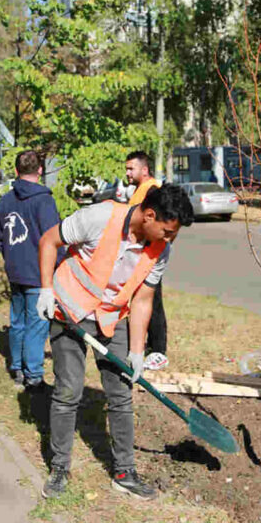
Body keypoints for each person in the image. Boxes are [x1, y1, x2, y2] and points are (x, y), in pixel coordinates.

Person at [36, 183, 194, 500]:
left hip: (112, 316)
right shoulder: (100, 217)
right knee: (69, 391)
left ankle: (124, 472)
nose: (170, 238)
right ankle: (60, 467)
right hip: (70, 308)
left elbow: (143, 300)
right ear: (149, 215)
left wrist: (137, 350)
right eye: (167, 231)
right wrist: (45, 290)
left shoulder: (161, 249)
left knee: (121, 394)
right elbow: (48, 241)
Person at [0, 150, 62, 392]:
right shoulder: (44, 201)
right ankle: (33, 375)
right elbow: (55, 237)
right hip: (38, 273)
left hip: (15, 271)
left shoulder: (5, 201)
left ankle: (18, 368)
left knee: (18, 321)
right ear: (40, 170)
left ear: (16, 171)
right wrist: (59, 265)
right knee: (37, 323)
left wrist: (12, 259)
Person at [125, 151, 168, 371]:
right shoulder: (139, 191)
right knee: (143, 299)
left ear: (144, 169)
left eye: (131, 168)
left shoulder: (152, 191)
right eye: (126, 168)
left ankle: (158, 350)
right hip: (139, 253)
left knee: (152, 298)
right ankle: (146, 345)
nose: (127, 173)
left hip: (149, 253)